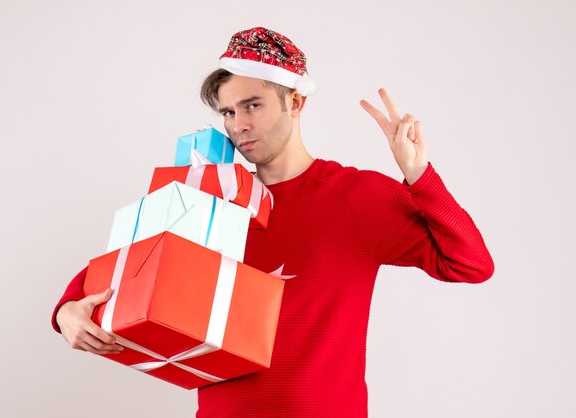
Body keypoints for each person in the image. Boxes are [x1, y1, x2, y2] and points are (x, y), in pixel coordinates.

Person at [52, 27, 494, 418]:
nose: (239, 125)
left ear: (295, 101)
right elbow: (107, 278)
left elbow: (471, 264)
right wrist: (67, 312)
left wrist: (419, 175)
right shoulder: (207, 197)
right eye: (227, 112)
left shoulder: (358, 197)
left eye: (253, 105)